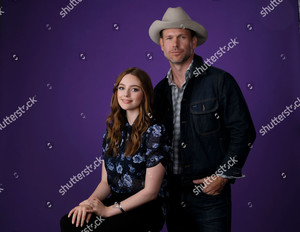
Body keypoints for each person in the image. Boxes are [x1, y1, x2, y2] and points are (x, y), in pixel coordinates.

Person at [148, 7, 256, 232]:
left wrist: (223, 176)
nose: (175, 44)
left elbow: (243, 132)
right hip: (172, 194)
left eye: (182, 37)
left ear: (193, 42)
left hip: (210, 194)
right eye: (169, 38)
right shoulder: (158, 92)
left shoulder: (220, 81)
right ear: (162, 45)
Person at [60, 67, 171, 232]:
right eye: (121, 88)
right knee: (70, 223)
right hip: (117, 199)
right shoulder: (113, 130)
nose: (126, 94)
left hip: (145, 207)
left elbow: (150, 192)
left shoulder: (155, 131)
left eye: (134, 89)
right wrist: (88, 204)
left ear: (145, 94)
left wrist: (107, 211)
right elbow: (105, 183)